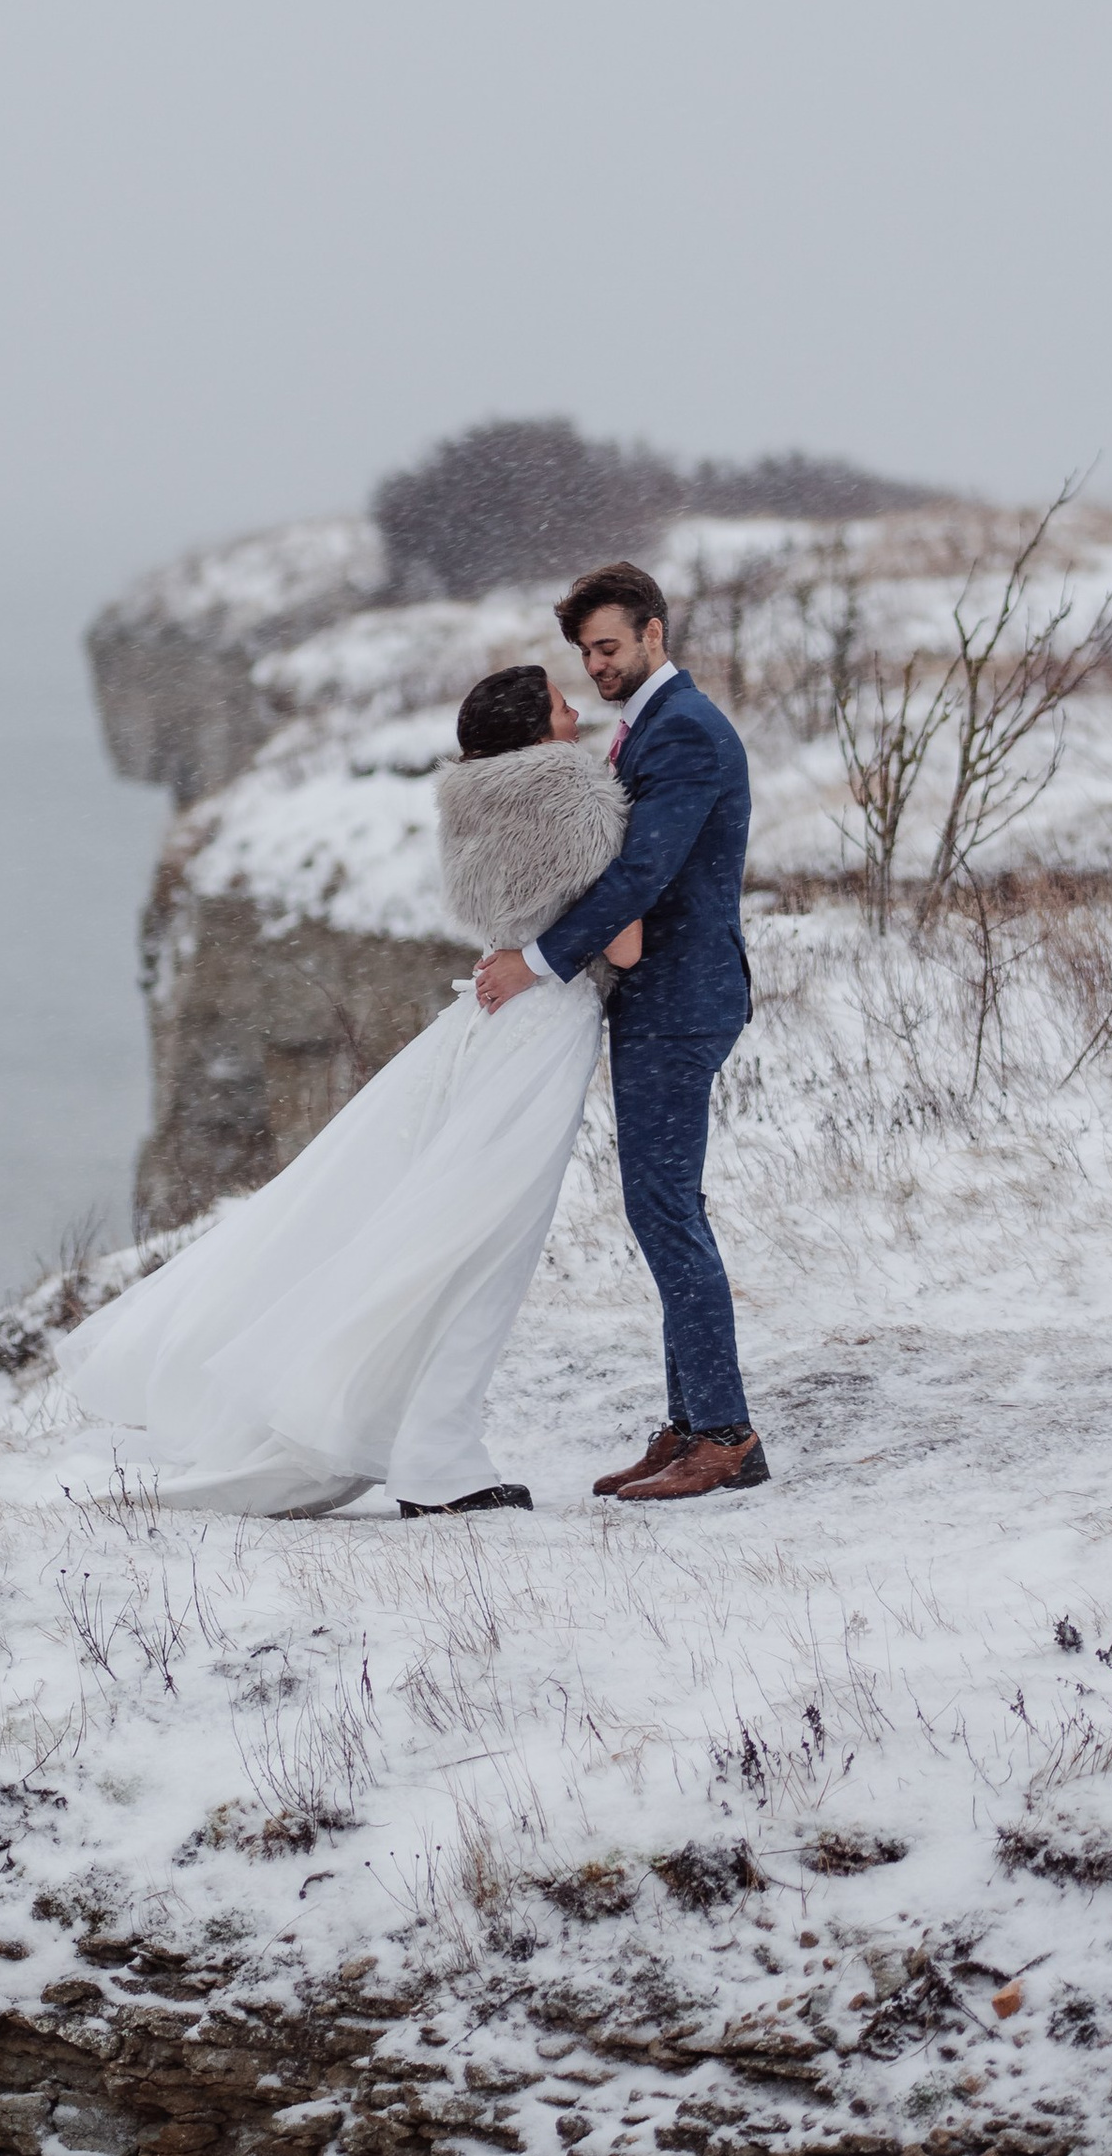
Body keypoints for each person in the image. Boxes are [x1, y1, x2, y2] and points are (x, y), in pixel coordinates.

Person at [58, 665, 640, 1516]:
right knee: (483, 1248)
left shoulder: (472, 798)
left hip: (486, 1026)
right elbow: (623, 946)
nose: (575, 712)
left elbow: (517, 914)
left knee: (443, 1234)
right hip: (542, 1031)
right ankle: (435, 1460)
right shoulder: (576, 798)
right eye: (559, 704)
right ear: (531, 728)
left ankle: (430, 1449)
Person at [474, 562, 768, 1503]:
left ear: (653, 632)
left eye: (609, 646)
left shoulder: (683, 731)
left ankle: (725, 1436)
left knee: (665, 1210)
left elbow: (641, 875)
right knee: (664, 1207)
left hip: (682, 1000)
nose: (597, 666)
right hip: (660, 999)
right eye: (586, 653)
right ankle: (691, 1423)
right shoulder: (648, 723)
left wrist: (535, 961)